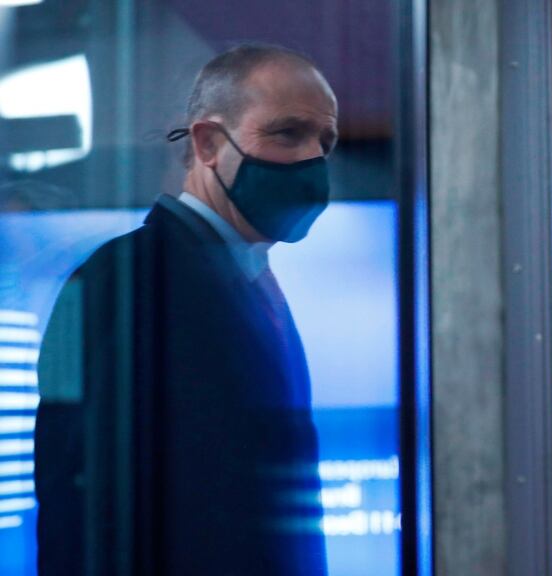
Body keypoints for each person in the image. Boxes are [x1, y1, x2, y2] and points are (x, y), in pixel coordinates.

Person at [34, 43, 338, 575]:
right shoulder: (129, 279)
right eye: (288, 133)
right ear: (207, 143)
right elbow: (85, 510)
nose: (313, 158)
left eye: (326, 141)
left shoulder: (243, 277)